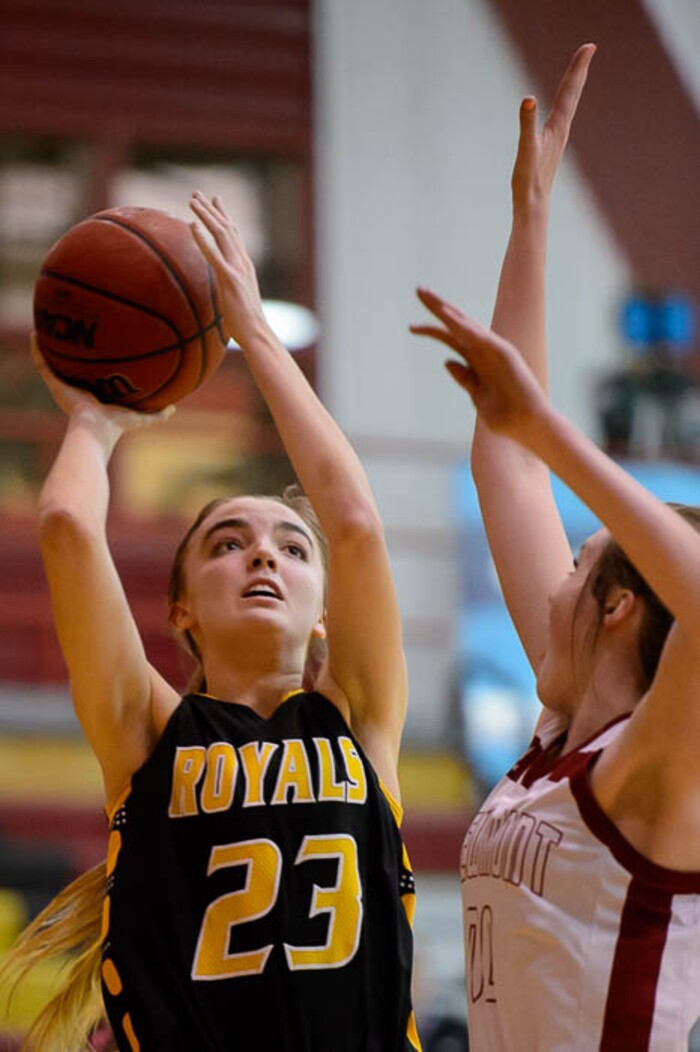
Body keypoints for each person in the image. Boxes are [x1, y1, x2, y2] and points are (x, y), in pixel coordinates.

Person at [3, 193, 421, 1052]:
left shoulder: (361, 717)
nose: (264, 556)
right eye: (229, 543)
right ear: (181, 608)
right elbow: (68, 525)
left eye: (292, 549)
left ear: (324, 613)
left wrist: (253, 332)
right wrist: (95, 420)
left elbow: (354, 522)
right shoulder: (148, 733)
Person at [412, 44, 700, 1051]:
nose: (551, 584)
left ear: (619, 605)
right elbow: (506, 462)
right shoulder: (560, 735)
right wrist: (528, 219)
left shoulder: (657, 762)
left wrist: (548, 429)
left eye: (579, 566)